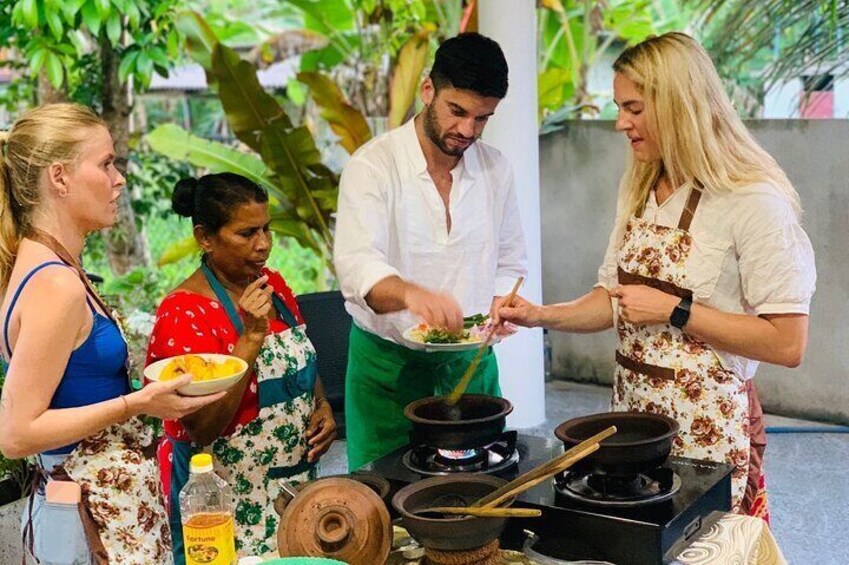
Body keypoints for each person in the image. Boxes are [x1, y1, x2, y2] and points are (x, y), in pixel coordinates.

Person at [497, 32, 815, 521]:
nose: (621, 123)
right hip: (634, 421)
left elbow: (787, 344)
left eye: (634, 108)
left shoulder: (753, 202)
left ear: (678, 105)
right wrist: (540, 315)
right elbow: (613, 298)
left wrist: (675, 310)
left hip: (707, 427)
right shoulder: (642, 187)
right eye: (620, 107)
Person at [0, 103, 220, 563]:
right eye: (105, 164)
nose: (119, 178)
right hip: (82, 518)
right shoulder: (55, 284)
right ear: (59, 178)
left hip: (85, 509)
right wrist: (138, 403)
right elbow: (16, 433)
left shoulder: (49, 266)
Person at [334, 32, 528, 470]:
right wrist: (409, 294)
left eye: (482, 119)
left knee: (478, 488)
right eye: (456, 112)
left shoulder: (496, 169)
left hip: (469, 362)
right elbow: (357, 266)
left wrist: (502, 300)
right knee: (381, 494)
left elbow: (510, 260)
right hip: (387, 369)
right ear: (428, 90)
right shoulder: (373, 166)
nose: (466, 130)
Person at [146, 172, 337, 561]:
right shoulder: (184, 313)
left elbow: (303, 360)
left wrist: (322, 406)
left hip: (291, 491)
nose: (263, 244)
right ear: (205, 237)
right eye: (246, 233)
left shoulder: (272, 287)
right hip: (224, 506)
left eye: (266, 229)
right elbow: (202, 428)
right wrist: (249, 337)